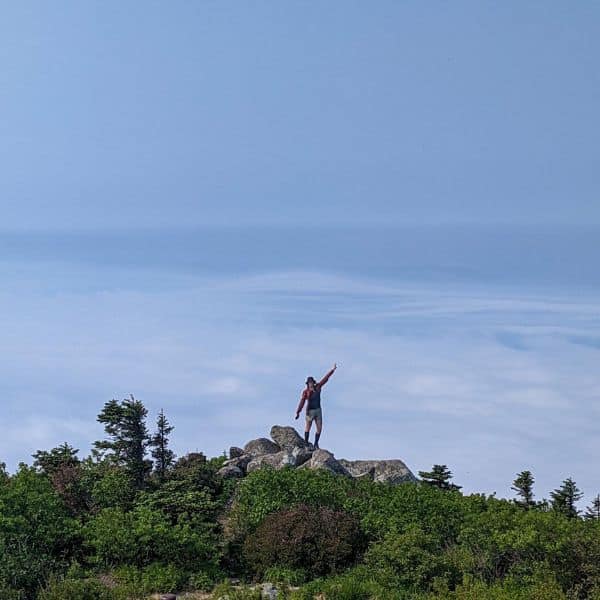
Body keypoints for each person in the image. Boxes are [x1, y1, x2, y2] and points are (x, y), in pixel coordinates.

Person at [295, 363, 337, 448]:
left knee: (319, 428)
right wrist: (298, 412)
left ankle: (316, 444)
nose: (310, 384)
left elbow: (325, 378)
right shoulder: (306, 392)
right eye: (309, 383)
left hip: (318, 410)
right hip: (310, 411)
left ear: (313, 382)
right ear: (307, 384)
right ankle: (306, 443)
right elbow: (302, 402)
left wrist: (332, 370)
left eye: (311, 382)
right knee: (308, 427)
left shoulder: (318, 387)